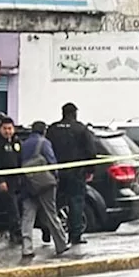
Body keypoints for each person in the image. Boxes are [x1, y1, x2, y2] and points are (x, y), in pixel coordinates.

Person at [47, 102, 96, 245]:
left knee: (54, 204)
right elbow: (91, 151)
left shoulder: (53, 129)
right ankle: (75, 235)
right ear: (75, 113)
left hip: (56, 173)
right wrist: (90, 170)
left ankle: (51, 231)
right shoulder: (81, 129)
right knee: (76, 203)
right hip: (76, 173)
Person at [19, 121, 69, 258]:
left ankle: (27, 248)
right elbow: (51, 161)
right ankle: (61, 243)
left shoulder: (23, 144)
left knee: (28, 216)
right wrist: (55, 177)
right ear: (44, 131)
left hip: (28, 184)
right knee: (51, 213)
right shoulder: (44, 143)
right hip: (45, 184)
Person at [0, 116, 23, 245]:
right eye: (5, 129)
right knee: (12, 207)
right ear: (0, 129)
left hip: (17, 179)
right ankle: (16, 232)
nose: (7, 131)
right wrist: (1, 180)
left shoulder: (16, 142)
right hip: (5, 180)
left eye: (10, 128)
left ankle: (14, 231)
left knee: (17, 207)